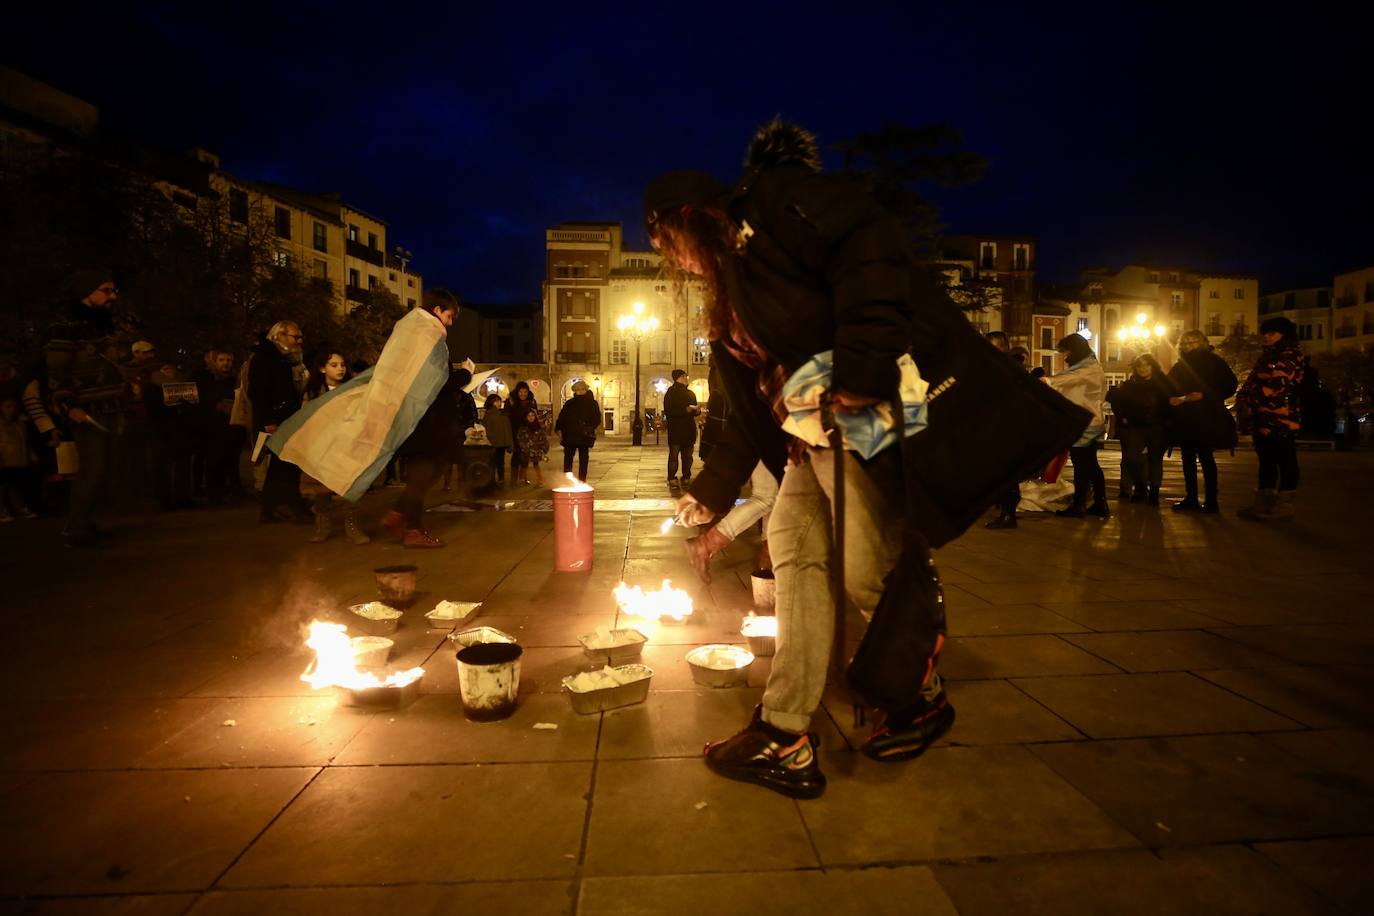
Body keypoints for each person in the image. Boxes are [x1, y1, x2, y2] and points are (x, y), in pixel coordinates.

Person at [42, 269, 128, 546]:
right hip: (88, 409)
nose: (112, 296)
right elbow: (57, 370)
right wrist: (68, 405)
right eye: (106, 290)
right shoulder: (65, 327)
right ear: (86, 292)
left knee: (106, 469)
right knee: (92, 468)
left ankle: (87, 521)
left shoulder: (106, 324)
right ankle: (74, 528)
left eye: (114, 291)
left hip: (110, 406)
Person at [378, 293, 465, 548]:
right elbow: (438, 383)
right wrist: (465, 375)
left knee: (428, 473)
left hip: (420, 421)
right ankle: (412, 529)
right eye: (448, 317)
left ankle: (397, 515)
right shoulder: (428, 338)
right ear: (437, 310)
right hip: (427, 423)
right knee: (421, 476)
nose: (449, 324)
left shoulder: (413, 335)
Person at [1237, 316, 1304, 520]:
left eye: (1271, 333)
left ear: (1283, 334)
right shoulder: (1266, 356)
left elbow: (1280, 385)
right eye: (1265, 333)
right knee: (1266, 460)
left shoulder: (1290, 355)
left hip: (1283, 416)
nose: (1266, 337)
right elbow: (1252, 382)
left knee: (1285, 459)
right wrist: (1244, 398)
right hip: (1262, 416)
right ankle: (1264, 502)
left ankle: (1285, 505)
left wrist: (1254, 397)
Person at [299, 350, 370, 544]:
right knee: (321, 491)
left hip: (347, 445)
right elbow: (307, 419)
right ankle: (322, 526)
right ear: (322, 368)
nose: (340, 369)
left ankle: (353, 527)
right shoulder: (313, 393)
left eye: (342, 365)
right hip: (321, 447)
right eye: (333, 365)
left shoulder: (351, 389)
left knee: (351, 488)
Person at [1166, 329, 1238, 513]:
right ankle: (1191, 497)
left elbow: (1229, 385)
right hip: (1185, 418)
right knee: (1187, 458)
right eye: (1186, 342)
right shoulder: (1180, 365)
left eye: (1193, 342)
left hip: (1207, 416)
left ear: (1202, 343)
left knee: (1206, 457)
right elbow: (1168, 386)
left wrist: (1205, 395)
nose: (1190, 346)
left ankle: (1211, 500)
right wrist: (1173, 398)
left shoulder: (1215, 362)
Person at [249, 320, 312, 524]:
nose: (298, 341)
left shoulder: (283, 359)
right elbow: (258, 392)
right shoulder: (266, 358)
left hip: (284, 418)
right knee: (285, 464)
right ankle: (294, 506)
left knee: (279, 466)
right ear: (280, 336)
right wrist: (269, 421)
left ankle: (270, 508)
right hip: (275, 421)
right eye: (295, 337)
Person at [1045, 333, 1109, 518]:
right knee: (1090, 464)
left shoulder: (1087, 369)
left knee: (1083, 465)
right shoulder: (1091, 366)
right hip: (1091, 421)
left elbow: (1066, 381)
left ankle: (1080, 504)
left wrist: (1047, 381)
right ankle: (1099, 502)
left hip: (1084, 423)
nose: (1065, 356)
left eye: (1066, 351)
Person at [1106, 354, 1170, 505]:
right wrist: (1123, 417)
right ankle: (1141, 487)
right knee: (1131, 458)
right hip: (1136, 426)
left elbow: (1169, 404)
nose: (1142, 369)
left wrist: (1168, 424)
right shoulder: (1130, 385)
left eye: (1146, 365)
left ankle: (1154, 492)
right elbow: (1118, 401)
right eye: (1139, 366)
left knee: (1155, 460)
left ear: (1153, 366)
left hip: (1158, 426)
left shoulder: (1163, 384)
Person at [143, 361, 201, 511]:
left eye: (172, 368)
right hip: (161, 431)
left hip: (181, 430)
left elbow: (193, 406)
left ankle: (182, 498)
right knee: (161, 467)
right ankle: (164, 501)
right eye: (166, 369)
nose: (170, 371)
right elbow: (152, 410)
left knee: (183, 465)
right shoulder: (151, 387)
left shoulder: (184, 385)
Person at [193, 348, 244, 504]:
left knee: (232, 459)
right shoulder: (206, 379)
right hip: (213, 426)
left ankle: (234, 489)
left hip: (232, 425)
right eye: (222, 360)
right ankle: (214, 492)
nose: (226, 363)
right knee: (214, 460)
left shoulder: (234, 379)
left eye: (228, 360)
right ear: (215, 362)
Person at [985, 331, 1023, 528]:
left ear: (1001, 347)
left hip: (1006, 427)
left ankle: (1009, 514)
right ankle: (1007, 508)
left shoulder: (1007, 368)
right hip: (1001, 425)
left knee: (1005, 471)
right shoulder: (1001, 367)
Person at [0, 396, 40, 521]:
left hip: (18, 459)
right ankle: (2, 511)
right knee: (3, 486)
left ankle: (19, 509)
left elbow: (24, 441)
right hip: (5, 458)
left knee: (15, 485)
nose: (11, 409)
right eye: (7, 406)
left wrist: (32, 455)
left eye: (13, 406)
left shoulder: (20, 423)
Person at [554, 379, 601, 482]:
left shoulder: (592, 403)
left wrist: (590, 427)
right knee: (568, 459)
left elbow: (597, 418)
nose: (580, 392)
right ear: (574, 391)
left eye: (582, 389)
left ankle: (582, 480)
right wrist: (558, 428)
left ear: (586, 390)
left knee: (583, 459)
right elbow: (562, 417)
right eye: (577, 390)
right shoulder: (569, 403)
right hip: (570, 434)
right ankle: (568, 480)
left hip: (584, 435)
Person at [663, 368, 700, 486]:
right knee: (674, 456)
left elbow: (694, 411)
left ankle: (686, 476)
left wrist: (697, 411)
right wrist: (686, 410)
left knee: (687, 457)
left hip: (688, 430)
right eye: (685, 376)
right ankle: (672, 477)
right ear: (679, 377)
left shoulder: (690, 393)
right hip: (676, 430)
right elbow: (669, 411)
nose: (687, 378)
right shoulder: (671, 392)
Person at [505, 381, 536, 484]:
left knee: (526, 455)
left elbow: (534, 416)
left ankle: (523, 477)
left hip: (527, 432)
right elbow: (507, 417)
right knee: (517, 454)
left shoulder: (531, 402)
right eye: (521, 392)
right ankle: (513, 479)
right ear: (517, 392)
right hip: (515, 432)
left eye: (525, 392)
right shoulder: (511, 402)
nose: (523, 394)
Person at [514, 400, 549, 487]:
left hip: (536, 450)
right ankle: (523, 479)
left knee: (536, 464)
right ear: (526, 417)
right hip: (526, 450)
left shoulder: (538, 428)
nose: (531, 417)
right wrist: (524, 447)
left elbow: (544, 439)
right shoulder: (523, 428)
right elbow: (520, 439)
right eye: (529, 416)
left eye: (532, 415)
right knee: (524, 464)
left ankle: (540, 480)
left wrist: (543, 449)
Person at [481, 392, 513, 485]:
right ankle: (500, 479)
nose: (500, 403)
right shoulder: (499, 416)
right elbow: (505, 430)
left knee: (493, 462)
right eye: (498, 401)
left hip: (491, 444)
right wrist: (509, 443)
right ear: (493, 402)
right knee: (499, 463)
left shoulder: (488, 415)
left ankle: (492, 480)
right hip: (500, 444)